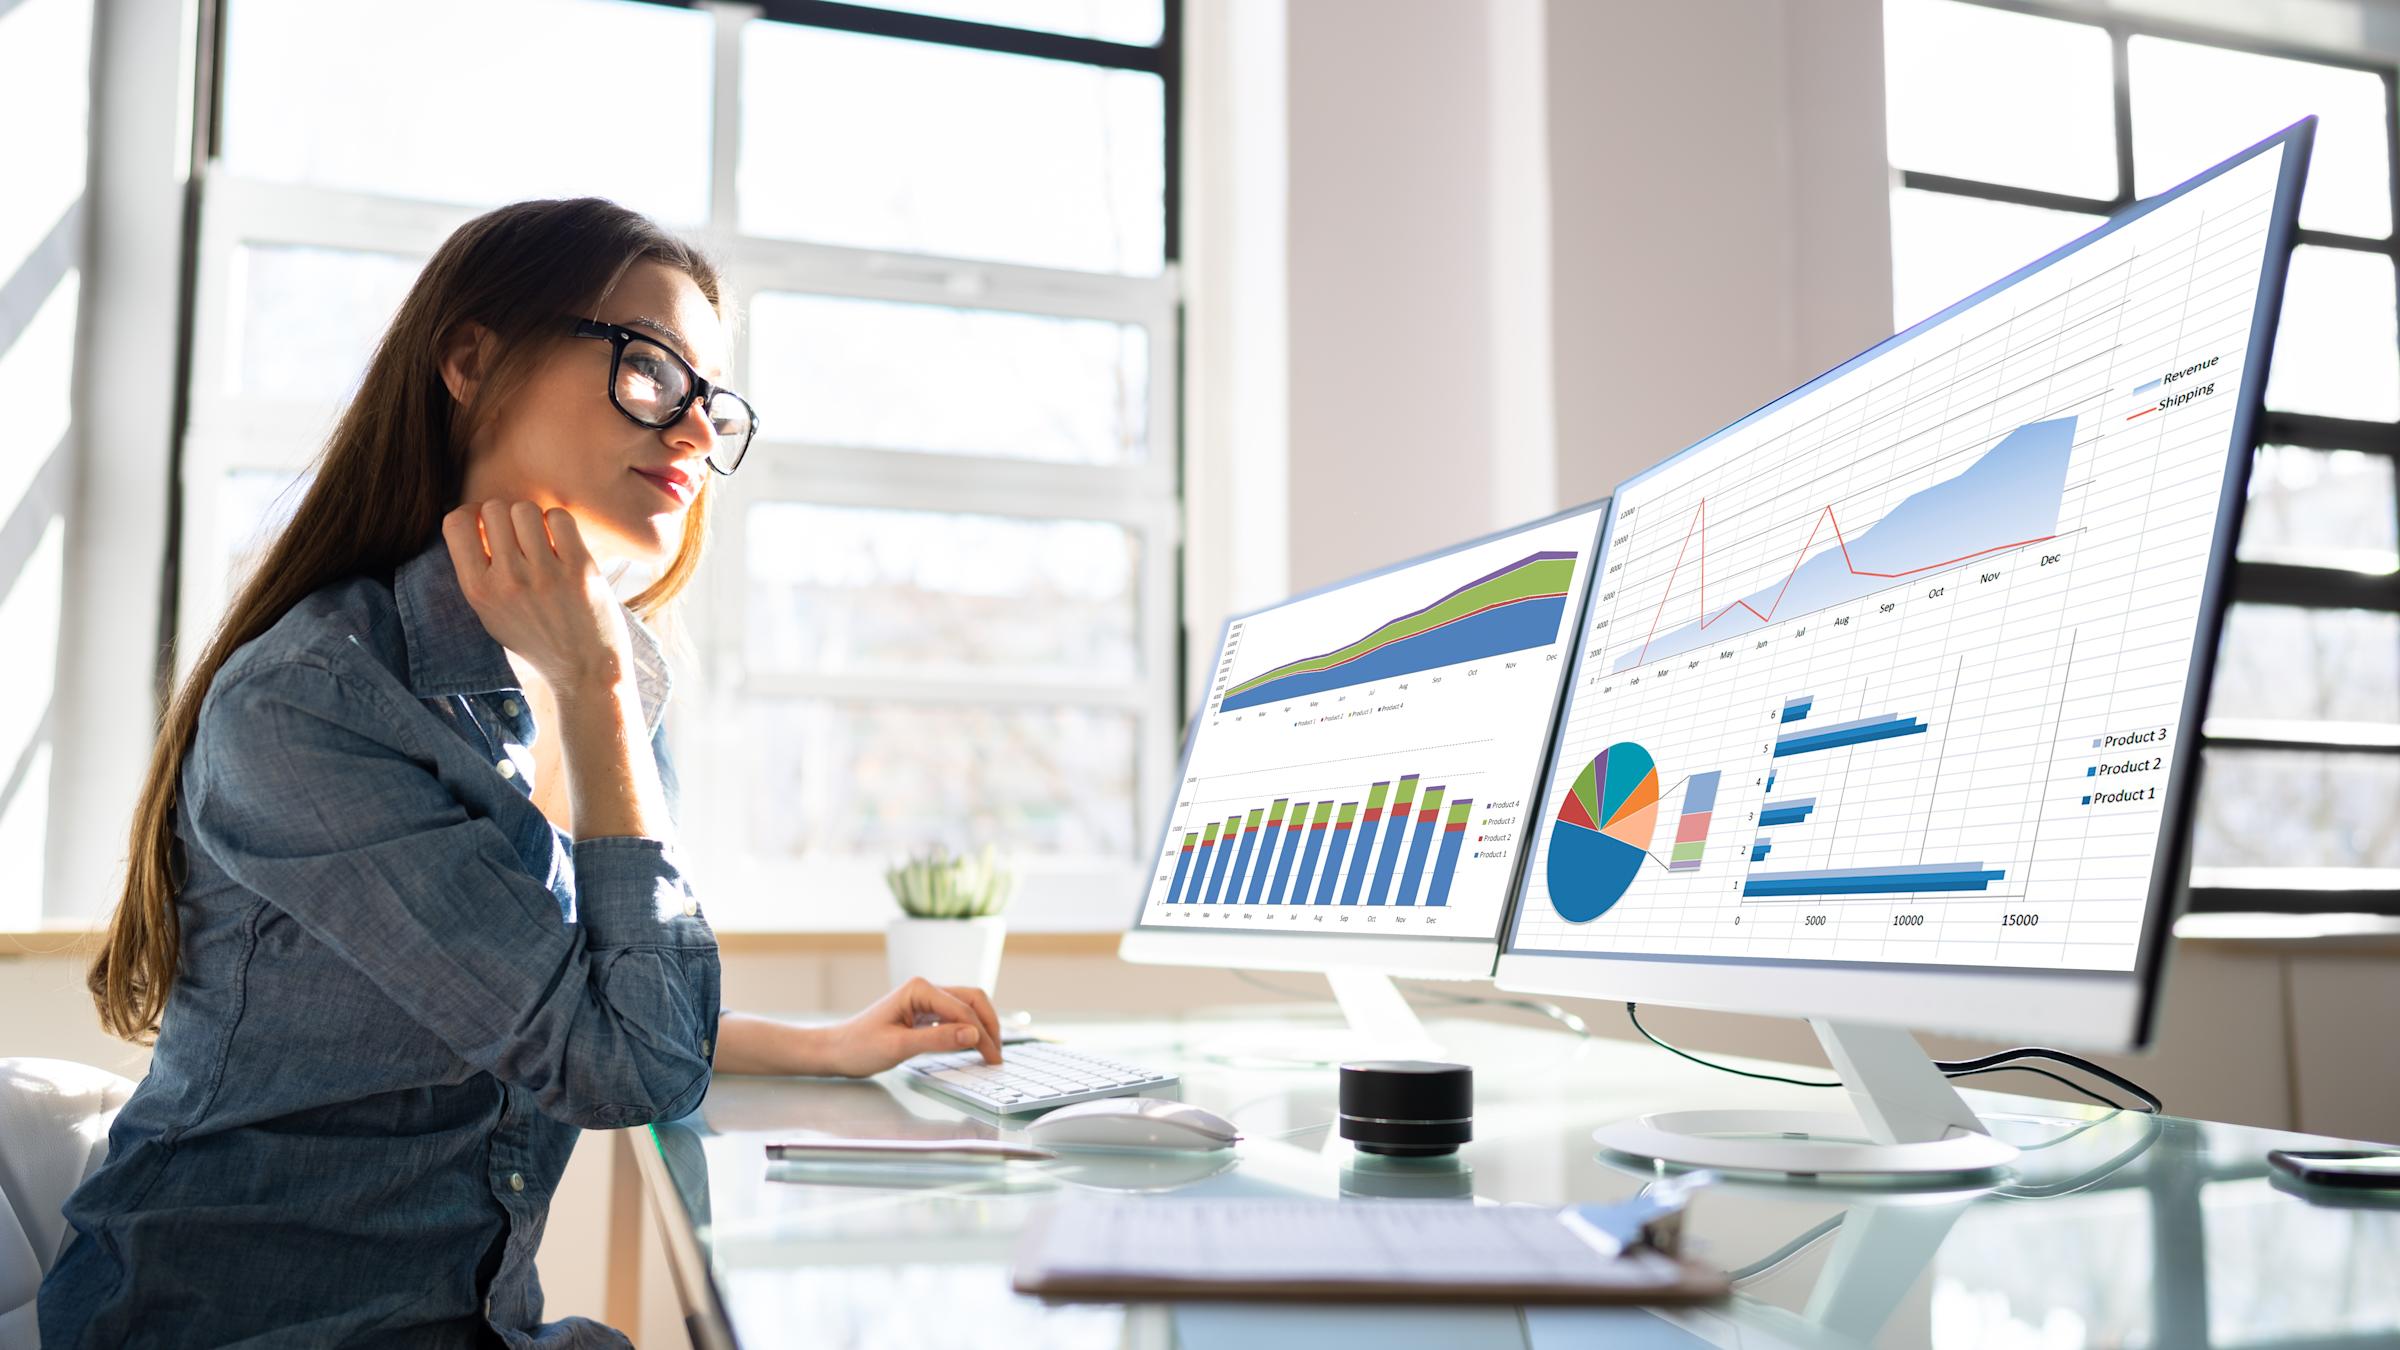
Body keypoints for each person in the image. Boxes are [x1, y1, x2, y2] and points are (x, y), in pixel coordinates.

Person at [40, 198, 1002, 1348]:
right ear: (470, 356)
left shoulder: (596, 672)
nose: (695, 433)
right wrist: (596, 693)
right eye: (651, 372)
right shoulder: (317, 701)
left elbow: (562, 1000)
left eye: (715, 403)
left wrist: (826, 1044)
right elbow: (613, 1062)